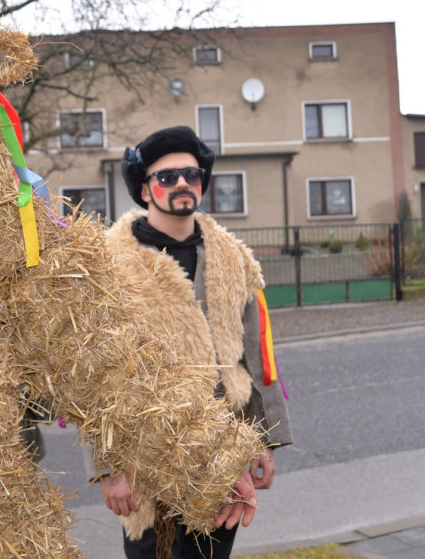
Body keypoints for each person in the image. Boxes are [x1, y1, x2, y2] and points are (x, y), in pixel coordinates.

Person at [99, 125, 292, 559]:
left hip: (223, 455)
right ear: (145, 190)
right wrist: (111, 470)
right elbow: (95, 374)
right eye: (167, 177)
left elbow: (256, 356)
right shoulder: (109, 263)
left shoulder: (234, 256)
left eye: (192, 174)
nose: (182, 183)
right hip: (145, 458)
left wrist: (264, 440)